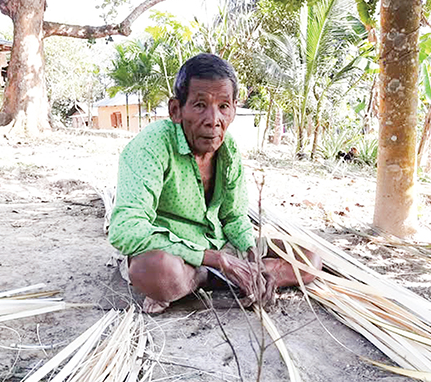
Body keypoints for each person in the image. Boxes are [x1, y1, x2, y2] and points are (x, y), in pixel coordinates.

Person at [108, 53, 321, 313]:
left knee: (309, 259)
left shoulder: (228, 149)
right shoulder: (151, 146)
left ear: (233, 109)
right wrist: (216, 260)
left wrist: (251, 254)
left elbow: (233, 217)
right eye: (199, 105)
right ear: (176, 110)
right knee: (154, 271)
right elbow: (125, 230)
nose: (213, 119)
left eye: (223, 106)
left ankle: (244, 279)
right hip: (176, 252)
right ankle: (207, 276)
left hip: (221, 244)